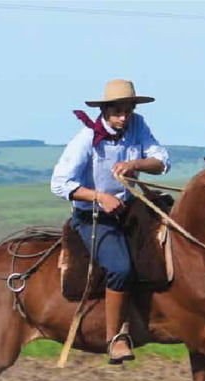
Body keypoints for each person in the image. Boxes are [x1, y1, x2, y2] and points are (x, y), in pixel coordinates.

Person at [50, 78, 170, 364]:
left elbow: (162, 160)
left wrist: (135, 164)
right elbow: (59, 183)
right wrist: (99, 197)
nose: (124, 116)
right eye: (118, 110)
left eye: (127, 109)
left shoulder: (137, 125)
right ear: (105, 110)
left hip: (130, 208)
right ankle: (115, 339)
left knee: (173, 234)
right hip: (93, 217)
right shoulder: (85, 139)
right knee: (120, 267)